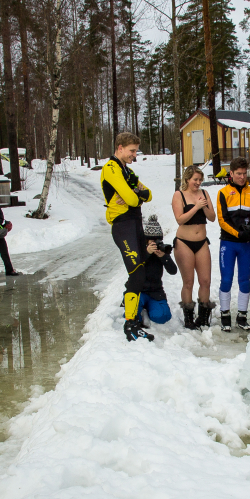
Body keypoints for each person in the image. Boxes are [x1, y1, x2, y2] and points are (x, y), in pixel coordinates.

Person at [101, 132, 154, 342]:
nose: (134, 155)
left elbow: (148, 194)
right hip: (123, 226)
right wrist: (135, 195)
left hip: (135, 224)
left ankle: (132, 314)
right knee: (137, 273)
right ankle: (130, 324)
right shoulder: (111, 168)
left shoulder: (127, 171)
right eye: (132, 150)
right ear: (120, 147)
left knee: (140, 270)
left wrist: (135, 195)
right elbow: (133, 199)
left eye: (135, 151)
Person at [216, 157, 250, 332]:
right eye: (238, 174)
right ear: (231, 173)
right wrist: (238, 233)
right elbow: (222, 220)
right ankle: (225, 314)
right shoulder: (223, 193)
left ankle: (242, 315)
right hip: (229, 243)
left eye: (244, 174)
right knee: (227, 279)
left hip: (247, 244)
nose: (242, 177)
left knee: (245, 280)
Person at [171, 165, 216, 329]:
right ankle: (189, 318)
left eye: (200, 180)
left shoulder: (204, 194)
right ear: (187, 179)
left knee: (205, 281)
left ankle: (203, 318)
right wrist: (196, 207)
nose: (198, 183)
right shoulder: (179, 195)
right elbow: (180, 219)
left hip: (202, 242)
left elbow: (212, 218)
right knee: (188, 282)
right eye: (195, 180)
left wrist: (203, 206)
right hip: (184, 242)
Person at [136, 214, 176, 325]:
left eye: (157, 240)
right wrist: (146, 253)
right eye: (151, 240)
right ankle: (139, 311)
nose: (155, 242)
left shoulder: (161, 251)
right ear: (146, 240)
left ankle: (149, 307)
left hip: (155, 291)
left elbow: (173, 271)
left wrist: (164, 257)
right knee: (132, 313)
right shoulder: (139, 250)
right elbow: (134, 267)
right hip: (138, 289)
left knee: (163, 316)